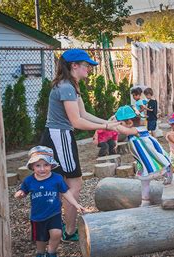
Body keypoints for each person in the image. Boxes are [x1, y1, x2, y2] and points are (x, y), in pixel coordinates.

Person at [40, 49, 119, 242]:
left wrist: (108, 123)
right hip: (60, 138)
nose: (89, 69)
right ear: (74, 65)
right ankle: (68, 231)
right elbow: (77, 122)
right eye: (86, 65)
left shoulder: (70, 85)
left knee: (59, 185)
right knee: (72, 184)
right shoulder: (66, 87)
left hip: (59, 137)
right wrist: (106, 126)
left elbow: (84, 114)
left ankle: (53, 230)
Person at [14, 146, 86, 257]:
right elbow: (23, 191)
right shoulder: (29, 181)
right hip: (37, 216)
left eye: (46, 165)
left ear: (51, 165)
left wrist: (76, 204)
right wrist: (19, 194)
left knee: (57, 233)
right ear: (32, 166)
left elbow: (66, 192)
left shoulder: (57, 178)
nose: (42, 169)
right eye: (38, 165)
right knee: (40, 239)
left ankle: (51, 253)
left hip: (54, 213)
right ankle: (40, 253)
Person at [113, 106, 171, 206]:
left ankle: (168, 174)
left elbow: (126, 131)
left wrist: (114, 125)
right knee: (144, 179)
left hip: (151, 156)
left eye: (121, 123)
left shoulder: (137, 129)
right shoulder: (133, 129)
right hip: (143, 159)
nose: (119, 126)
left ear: (130, 123)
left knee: (161, 166)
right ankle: (145, 200)